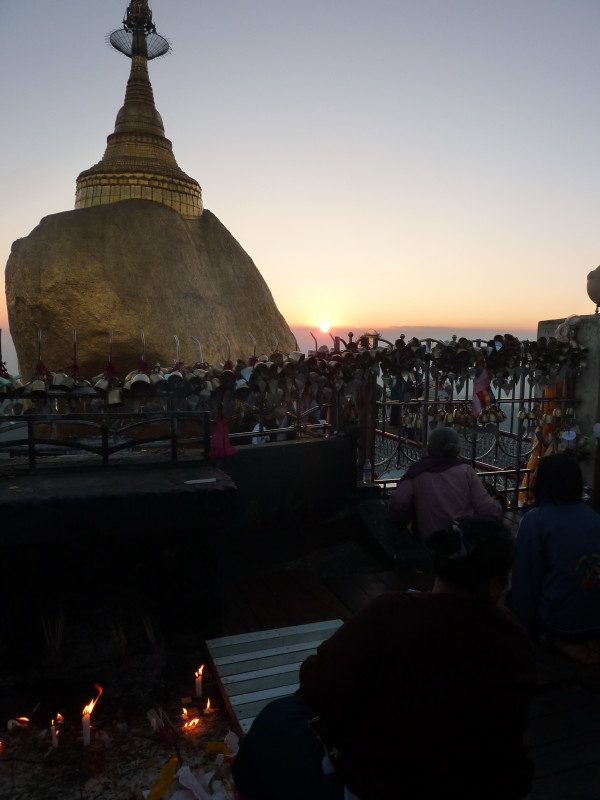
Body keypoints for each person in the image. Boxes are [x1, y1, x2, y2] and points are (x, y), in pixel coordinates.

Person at [232, 516, 535, 800]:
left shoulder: (392, 613)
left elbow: (316, 685)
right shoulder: (512, 637)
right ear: (494, 585)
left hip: (377, 783)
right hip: (471, 785)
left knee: (279, 717)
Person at [511, 453, 600, 664]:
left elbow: (525, 585)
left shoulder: (535, 521)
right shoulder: (595, 517)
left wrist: (521, 632)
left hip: (561, 624)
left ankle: (556, 641)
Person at [389, 425, 503, 538]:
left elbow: (399, 502)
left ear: (429, 447)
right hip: (461, 539)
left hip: (429, 540)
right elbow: (486, 507)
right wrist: (499, 507)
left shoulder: (417, 471)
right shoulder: (466, 471)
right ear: (456, 448)